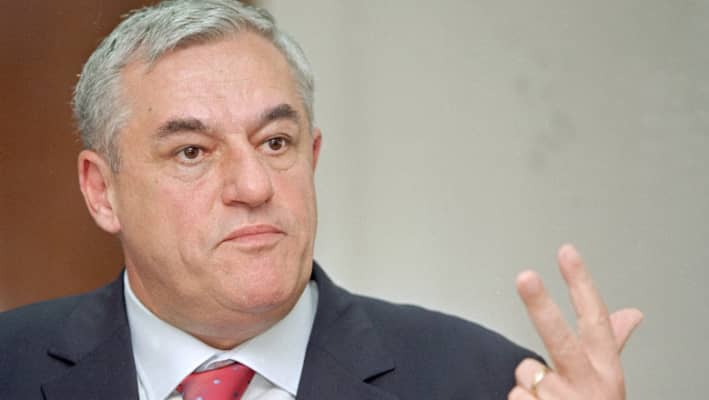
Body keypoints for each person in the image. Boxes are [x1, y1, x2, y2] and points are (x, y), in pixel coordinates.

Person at [0, 1, 643, 399]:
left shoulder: (486, 382)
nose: (254, 187)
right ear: (102, 191)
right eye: (192, 151)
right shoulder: (10, 367)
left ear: (311, 157)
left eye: (275, 142)